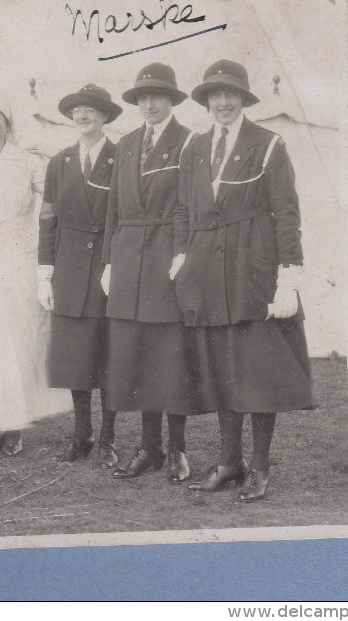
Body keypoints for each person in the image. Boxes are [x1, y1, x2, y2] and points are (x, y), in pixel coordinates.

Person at [174, 59, 313, 501]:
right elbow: (184, 209)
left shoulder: (269, 144)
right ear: (207, 101)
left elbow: (286, 215)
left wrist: (288, 277)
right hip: (207, 275)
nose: (223, 102)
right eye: (216, 95)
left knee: (256, 373)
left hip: (252, 268)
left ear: (243, 99)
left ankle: (260, 468)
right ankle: (229, 463)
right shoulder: (194, 147)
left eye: (231, 94)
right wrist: (181, 257)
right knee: (221, 372)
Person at [102, 63, 215, 483]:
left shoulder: (190, 143)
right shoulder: (126, 143)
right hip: (129, 259)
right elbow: (113, 206)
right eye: (142, 97)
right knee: (138, 356)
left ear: (172, 100)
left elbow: (192, 204)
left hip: (168, 258)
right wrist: (110, 262)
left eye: (158, 96)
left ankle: (178, 450)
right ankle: (149, 447)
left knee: (170, 357)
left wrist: (184, 254)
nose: (149, 104)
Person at [0, 102, 72, 457]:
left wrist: (41, 258)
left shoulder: (29, 161)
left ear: (8, 123)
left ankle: (14, 425)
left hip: (18, 262)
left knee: (17, 343)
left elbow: (51, 209)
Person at [38, 84, 120, 468]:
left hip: (106, 265)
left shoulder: (122, 157)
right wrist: (45, 270)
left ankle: (108, 437)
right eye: (77, 111)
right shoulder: (60, 163)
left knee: (106, 354)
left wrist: (114, 262)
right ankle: (81, 433)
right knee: (75, 356)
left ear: (105, 117)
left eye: (91, 110)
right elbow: (48, 219)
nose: (83, 116)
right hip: (69, 266)